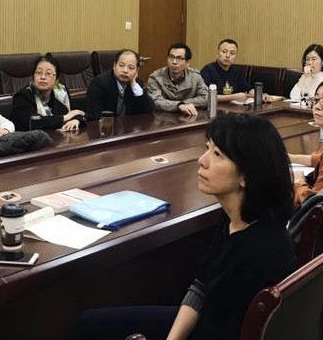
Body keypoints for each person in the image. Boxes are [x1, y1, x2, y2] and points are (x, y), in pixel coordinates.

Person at [69, 113, 298, 340]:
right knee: (90, 323)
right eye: (206, 148)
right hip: (208, 320)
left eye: (217, 154)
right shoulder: (235, 217)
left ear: (246, 175)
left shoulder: (258, 252)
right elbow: (201, 287)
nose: (202, 160)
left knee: (92, 327)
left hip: (216, 331)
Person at [10, 54, 86, 131]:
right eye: (39, 72)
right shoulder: (23, 96)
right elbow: (31, 122)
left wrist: (76, 120)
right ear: (33, 77)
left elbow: (78, 112)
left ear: (56, 80)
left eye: (48, 73)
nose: (43, 77)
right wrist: (65, 118)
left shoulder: (61, 92)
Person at [85, 49, 155, 120]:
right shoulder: (99, 83)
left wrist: (134, 85)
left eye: (131, 68)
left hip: (129, 125)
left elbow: (149, 109)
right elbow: (94, 116)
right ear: (114, 66)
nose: (125, 71)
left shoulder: (137, 84)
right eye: (121, 65)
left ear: (137, 70)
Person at [147, 43, 209, 116]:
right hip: (162, 118)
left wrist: (183, 103)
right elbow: (155, 101)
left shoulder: (195, 76)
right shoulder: (156, 77)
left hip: (189, 116)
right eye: (171, 57)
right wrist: (179, 105)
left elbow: (206, 98)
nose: (174, 62)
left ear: (187, 63)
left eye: (179, 58)